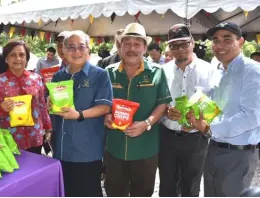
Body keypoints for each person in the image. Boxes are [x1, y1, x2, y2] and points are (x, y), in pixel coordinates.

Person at [187, 22, 260, 197]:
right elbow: (211, 105)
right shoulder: (219, 71)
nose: (219, 45)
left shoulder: (252, 71)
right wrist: (189, 116)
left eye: (227, 39)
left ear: (240, 42)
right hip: (214, 149)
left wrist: (209, 128)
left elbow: (251, 117)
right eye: (215, 40)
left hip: (238, 155)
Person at [104, 23, 172, 197]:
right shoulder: (108, 72)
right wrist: (106, 116)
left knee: (142, 193)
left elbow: (162, 103)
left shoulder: (157, 72)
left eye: (137, 44)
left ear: (144, 48)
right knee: (114, 192)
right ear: (120, 47)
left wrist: (146, 124)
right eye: (127, 44)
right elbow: (102, 103)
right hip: (114, 147)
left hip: (145, 148)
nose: (131, 49)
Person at [50, 30, 113, 197]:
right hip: (62, 149)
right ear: (63, 51)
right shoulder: (58, 76)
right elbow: (55, 107)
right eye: (71, 47)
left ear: (88, 50)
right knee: (66, 191)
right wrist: (51, 103)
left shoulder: (100, 75)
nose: (76, 52)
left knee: (88, 192)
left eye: (81, 47)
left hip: (87, 151)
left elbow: (105, 107)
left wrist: (79, 114)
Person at [160, 24, 216, 197]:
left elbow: (216, 105)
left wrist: (201, 121)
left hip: (196, 140)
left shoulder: (210, 70)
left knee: (191, 186)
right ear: (169, 48)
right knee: (167, 185)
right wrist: (165, 112)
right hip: (167, 137)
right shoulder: (162, 71)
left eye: (184, 44)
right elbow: (157, 102)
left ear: (192, 43)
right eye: (174, 46)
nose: (180, 50)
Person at [0, 41, 52, 154]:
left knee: (35, 168)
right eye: (13, 55)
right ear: (6, 59)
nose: (17, 58)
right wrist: (2, 108)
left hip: (35, 136)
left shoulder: (36, 78)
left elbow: (42, 107)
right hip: (11, 138)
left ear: (27, 59)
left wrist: (48, 128)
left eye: (22, 55)